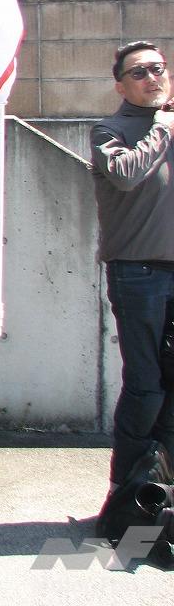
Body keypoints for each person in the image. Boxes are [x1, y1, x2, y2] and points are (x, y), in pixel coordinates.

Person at [90, 40, 174, 494]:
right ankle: (125, 490)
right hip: (137, 274)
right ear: (121, 86)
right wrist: (161, 129)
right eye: (139, 72)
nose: (151, 78)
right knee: (146, 386)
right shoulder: (110, 130)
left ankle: (160, 494)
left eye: (158, 68)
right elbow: (125, 175)